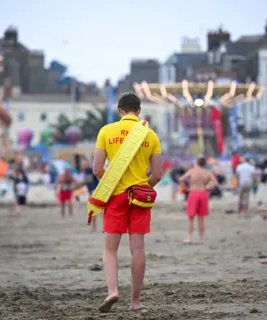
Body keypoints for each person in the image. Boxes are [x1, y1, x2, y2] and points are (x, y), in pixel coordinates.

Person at [92, 92, 162, 312]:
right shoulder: (149, 135)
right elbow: (158, 174)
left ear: (120, 110)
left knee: (110, 249)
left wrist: (111, 184)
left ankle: (113, 291)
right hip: (139, 197)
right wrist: (144, 186)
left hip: (116, 196)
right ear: (139, 110)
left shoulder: (106, 131)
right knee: (138, 249)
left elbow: (96, 170)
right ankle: (135, 303)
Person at [179, 157, 218, 243]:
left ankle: (189, 238)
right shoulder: (208, 172)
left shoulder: (192, 171)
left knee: (190, 217)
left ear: (197, 163)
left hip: (193, 193)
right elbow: (215, 183)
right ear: (205, 164)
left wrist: (186, 188)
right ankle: (201, 239)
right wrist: (209, 189)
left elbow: (181, 179)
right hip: (203, 193)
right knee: (201, 217)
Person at [84, 159, 100, 231]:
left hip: (94, 191)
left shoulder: (89, 170)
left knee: (93, 210)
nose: (83, 165)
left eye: (85, 163)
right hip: (94, 191)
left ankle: (94, 227)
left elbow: (88, 180)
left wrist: (76, 185)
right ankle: (94, 227)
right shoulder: (88, 170)